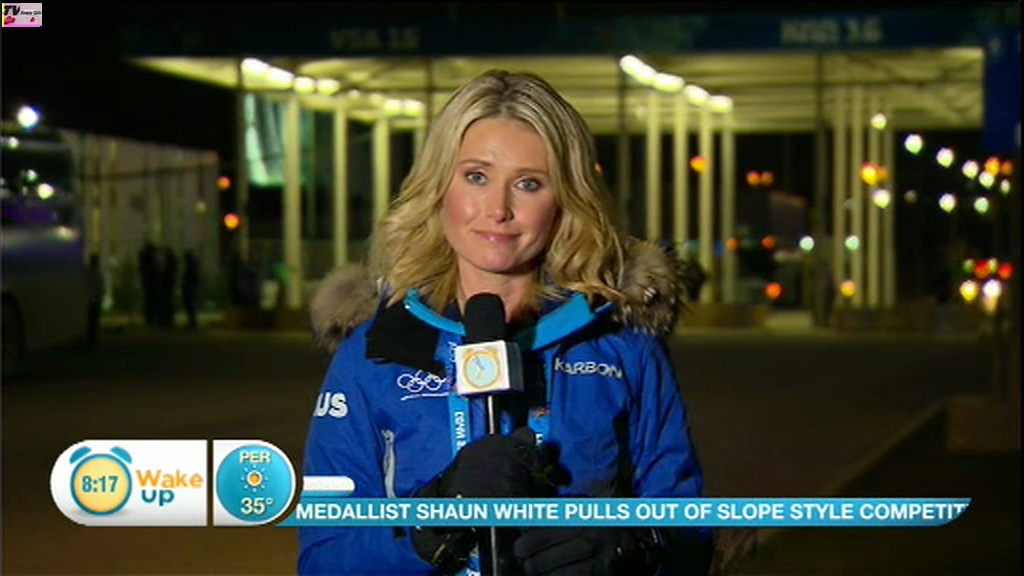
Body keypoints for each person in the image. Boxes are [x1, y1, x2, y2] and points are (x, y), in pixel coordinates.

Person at [301, 70, 713, 576]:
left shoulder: (622, 345)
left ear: (564, 201)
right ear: (439, 185)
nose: (498, 210)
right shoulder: (374, 352)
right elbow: (323, 557)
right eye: (476, 176)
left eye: (528, 184)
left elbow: (689, 531)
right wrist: (429, 525)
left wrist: (632, 549)